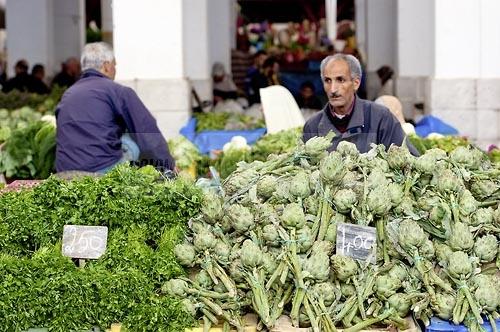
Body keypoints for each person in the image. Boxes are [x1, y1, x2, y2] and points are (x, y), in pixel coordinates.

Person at [55, 42, 175, 173]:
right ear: (106, 66)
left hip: (65, 170)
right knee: (131, 140)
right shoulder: (118, 91)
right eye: (114, 65)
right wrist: (168, 164)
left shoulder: (68, 94)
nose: (115, 69)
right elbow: (147, 130)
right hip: (101, 169)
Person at [302, 54, 418, 155]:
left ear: (356, 83)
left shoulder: (381, 119)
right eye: (328, 80)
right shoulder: (312, 126)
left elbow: (408, 159)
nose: (333, 89)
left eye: (340, 80)